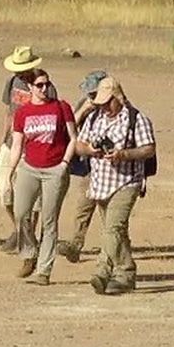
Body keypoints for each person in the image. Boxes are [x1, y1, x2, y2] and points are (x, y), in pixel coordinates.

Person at [73, 76, 156, 295]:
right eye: (100, 103)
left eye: (107, 102)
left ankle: (106, 270)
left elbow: (149, 149)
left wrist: (124, 154)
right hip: (101, 183)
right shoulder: (94, 119)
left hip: (127, 182)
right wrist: (90, 150)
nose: (104, 107)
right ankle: (123, 273)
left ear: (118, 97)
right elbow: (79, 146)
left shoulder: (137, 119)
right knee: (117, 232)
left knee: (113, 229)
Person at [6, 68, 77, 285]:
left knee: (49, 220)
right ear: (30, 87)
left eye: (46, 84)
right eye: (39, 85)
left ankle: (44, 271)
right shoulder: (23, 113)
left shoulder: (61, 107)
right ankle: (29, 253)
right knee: (21, 213)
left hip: (55, 169)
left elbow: (73, 137)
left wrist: (65, 163)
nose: (44, 88)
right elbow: (17, 144)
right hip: (29, 167)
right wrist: (11, 170)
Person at [55, 68, 108, 264]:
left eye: (94, 93)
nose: (91, 97)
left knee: (108, 211)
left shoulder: (119, 108)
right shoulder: (85, 105)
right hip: (91, 166)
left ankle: (111, 249)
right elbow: (69, 132)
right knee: (84, 206)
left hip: (113, 168)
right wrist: (84, 110)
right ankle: (75, 245)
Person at [0, 45, 43, 252]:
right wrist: (3, 136)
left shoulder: (42, 85)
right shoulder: (12, 81)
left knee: (33, 194)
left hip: (32, 145)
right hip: (10, 142)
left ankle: (28, 234)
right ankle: (18, 228)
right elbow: (9, 110)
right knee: (4, 187)